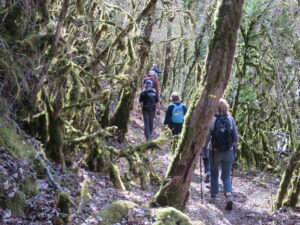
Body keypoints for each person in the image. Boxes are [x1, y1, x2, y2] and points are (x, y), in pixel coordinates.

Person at [203, 98, 239, 210]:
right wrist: (234, 146)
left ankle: (213, 196)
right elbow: (236, 137)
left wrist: (203, 146)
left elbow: (208, 136)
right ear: (226, 107)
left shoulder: (212, 120)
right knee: (226, 175)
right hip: (228, 152)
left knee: (214, 173)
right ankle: (228, 195)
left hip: (214, 151)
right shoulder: (230, 119)